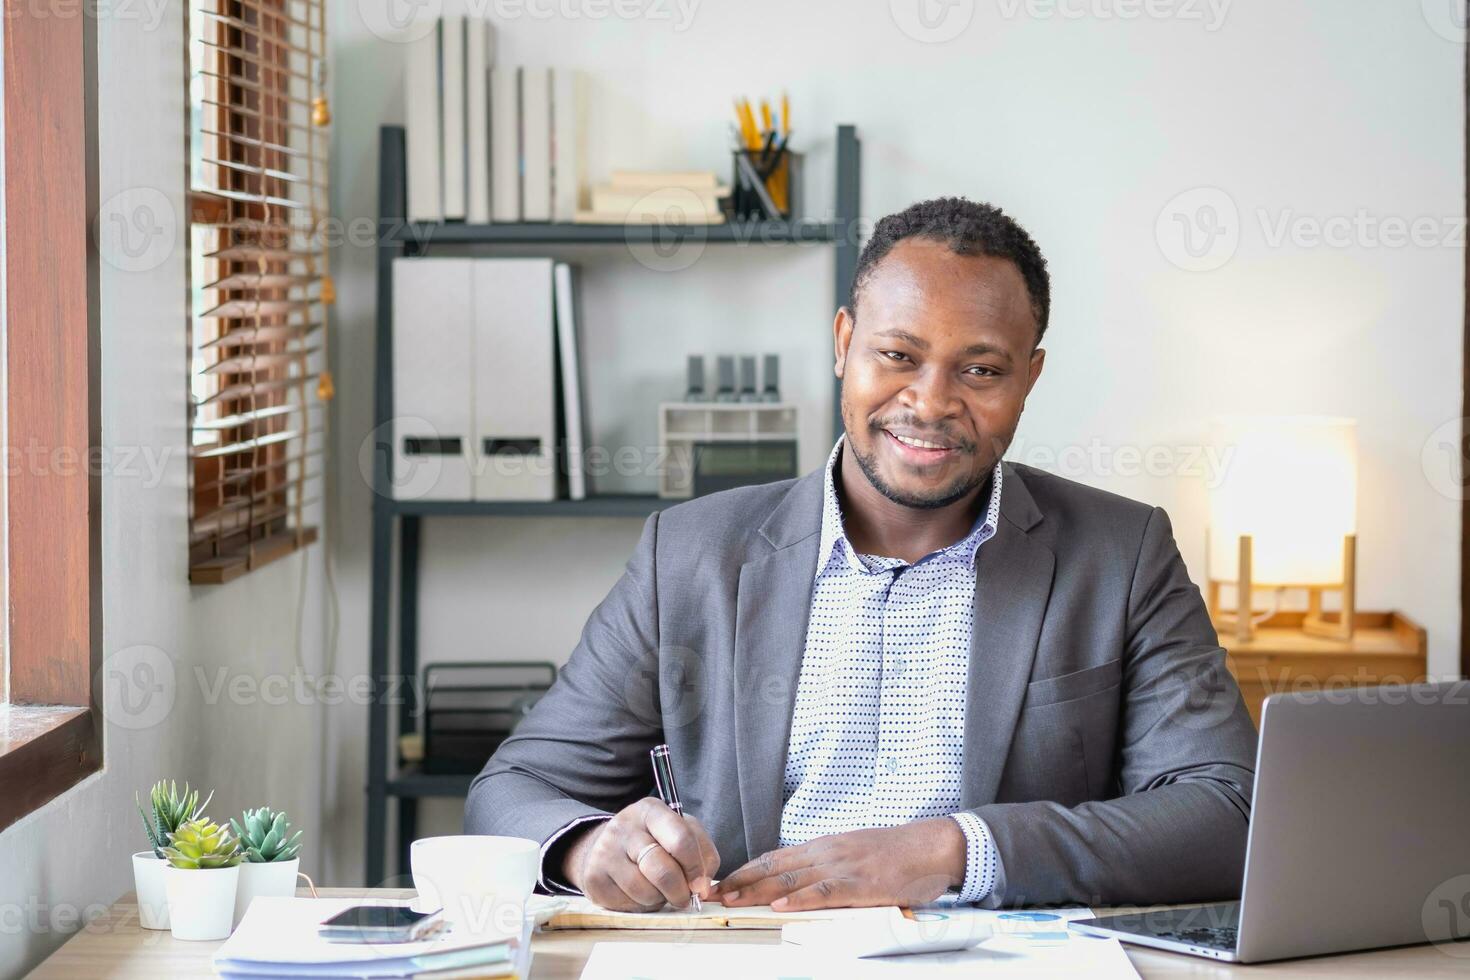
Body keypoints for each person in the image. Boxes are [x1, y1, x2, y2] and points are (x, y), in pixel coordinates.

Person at [466, 197, 1257, 911]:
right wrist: (584, 846)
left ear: (1030, 377)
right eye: (899, 356)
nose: (932, 401)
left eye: (980, 370)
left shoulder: (1122, 553)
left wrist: (956, 849)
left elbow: (1228, 813)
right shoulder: (691, 555)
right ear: (845, 343)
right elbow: (514, 789)